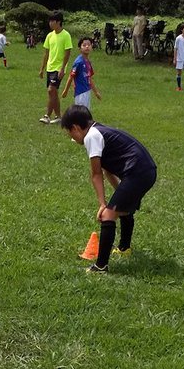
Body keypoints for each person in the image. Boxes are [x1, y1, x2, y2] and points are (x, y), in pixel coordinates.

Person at [60, 104, 157, 273]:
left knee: (108, 215)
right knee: (122, 210)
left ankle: (101, 266)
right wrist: (119, 195)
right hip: (146, 170)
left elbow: (96, 174)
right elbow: (108, 170)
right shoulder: (100, 131)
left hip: (138, 172)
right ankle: (124, 249)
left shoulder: (91, 137)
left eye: (69, 133)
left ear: (75, 128)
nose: (72, 138)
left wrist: (103, 205)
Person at [38, 11, 73, 123]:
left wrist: (63, 68)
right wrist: (42, 69)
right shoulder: (49, 35)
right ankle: (58, 117)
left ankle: (47, 115)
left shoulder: (66, 35)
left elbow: (67, 53)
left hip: (59, 68)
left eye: (52, 21)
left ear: (59, 22)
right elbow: (46, 53)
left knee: (51, 89)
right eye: (50, 21)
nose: (50, 23)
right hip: (50, 67)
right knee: (53, 92)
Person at [62, 37, 102, 109]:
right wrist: (65, 91)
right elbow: (71, 76)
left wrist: (96, 92)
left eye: (89, 45)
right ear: (80, 48)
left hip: (87, 90)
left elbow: (89, 78)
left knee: (86, 113)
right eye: (84, 45)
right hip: (80, 92)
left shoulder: (88, 62)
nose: (87, 47)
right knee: (81, 113)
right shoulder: (79, 62)